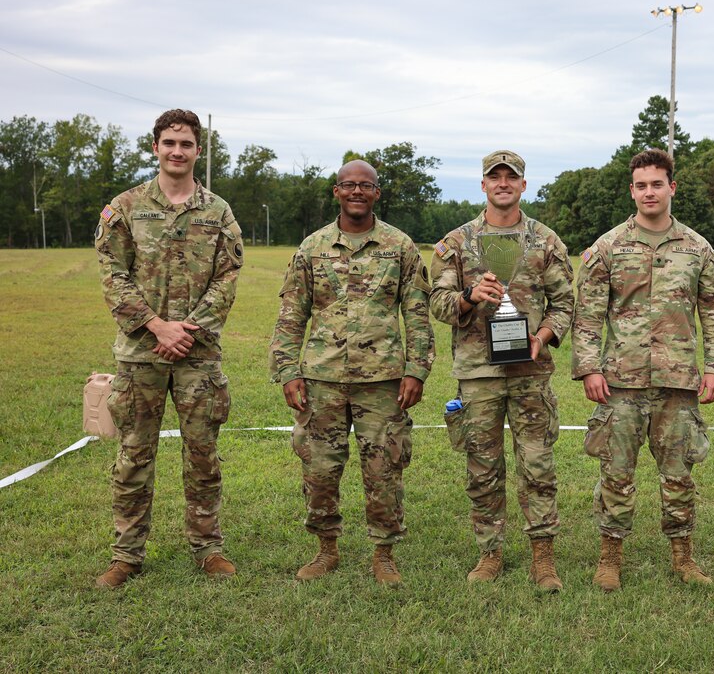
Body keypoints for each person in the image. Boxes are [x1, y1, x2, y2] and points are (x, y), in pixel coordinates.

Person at [94, 109, 244, 588]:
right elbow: (112, 275)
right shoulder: (126, 207)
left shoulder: (218, 211)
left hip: (198, 356)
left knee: (203, 454)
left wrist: (189, 330)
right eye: (169, 142)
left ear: (199, 150)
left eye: (186, 143)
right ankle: (126, 556)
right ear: (155, 147)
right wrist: (158, 327)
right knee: (134, 455)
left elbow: (227, 275)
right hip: (141, 354)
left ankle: (207, 549)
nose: (177, 151)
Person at [270, 159, 434, 586]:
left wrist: (417, 370)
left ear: (377, 193)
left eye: (366, 186)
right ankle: (326, 549)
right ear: (336, 192)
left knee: (384, 469)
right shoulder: (312, 248)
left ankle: (384, 553)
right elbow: (291, 314)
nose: (357, 192)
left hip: (383, 382)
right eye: (349, 185)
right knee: (320, 468)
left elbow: (417, 315)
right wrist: (288, 371)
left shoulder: (400, 247)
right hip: (321, 380)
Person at [572, 148, 714, 591]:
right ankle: (610, 558)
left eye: (657, 184)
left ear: (671, 187)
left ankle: (683, 557)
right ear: (632, 191)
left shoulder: (697, 249)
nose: (649, 192)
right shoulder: (608, 247)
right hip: (620, 382)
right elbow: (586, 317)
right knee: (616, 472)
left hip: (679, 382)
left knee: (679, 474)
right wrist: (588, 369)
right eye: (641, 185)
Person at [430, 150, 574, 592]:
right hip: (478, 374)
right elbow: (437, 303)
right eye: (496, 177)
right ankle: (490, 553)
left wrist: (544, 336)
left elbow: (566, 304)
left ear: (524, 186)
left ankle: (542, 557)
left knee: (537, 464)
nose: (504, 183)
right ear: (483, 185)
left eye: (512, 177)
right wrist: (470, 297)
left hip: (531, 371)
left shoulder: (546, 241)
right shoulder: (456, 243)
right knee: (483, 467)